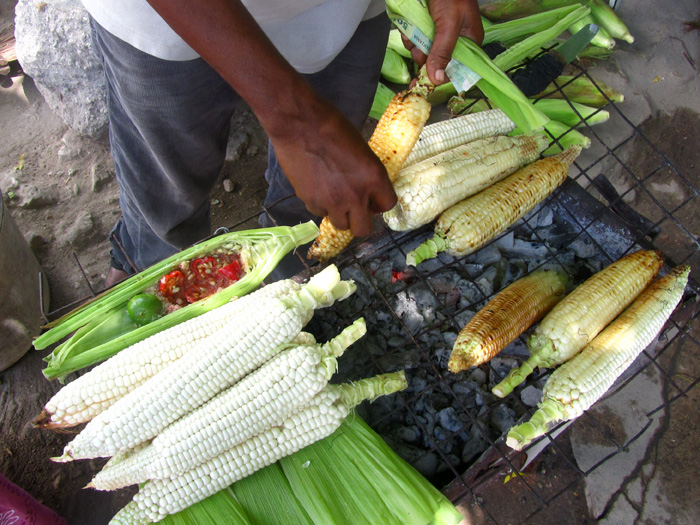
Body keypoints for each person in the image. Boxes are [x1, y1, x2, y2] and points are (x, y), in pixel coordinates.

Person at [80, 0, 483, 286]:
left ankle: (286, 269)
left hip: (340, 14)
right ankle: (149, 269)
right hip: (168, 23)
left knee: (310, 199)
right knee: (167, 190)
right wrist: (299, 124)